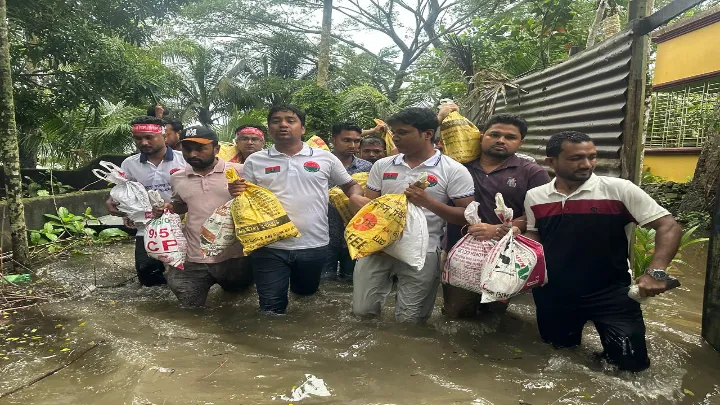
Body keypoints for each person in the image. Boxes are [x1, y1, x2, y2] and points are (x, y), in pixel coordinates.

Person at [524, 131, 682, 372]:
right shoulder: (535, 197)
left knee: (630, 366)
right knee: (561, 356)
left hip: (612, 293)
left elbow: (668, 226)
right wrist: (517, 254)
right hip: (554, 294)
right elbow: (535, 234)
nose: (587, 164)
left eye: (592, 157)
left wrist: (656, 272)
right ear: (551, 162)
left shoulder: (620, 190)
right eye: (576, 158)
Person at [231, 106, 366, 314]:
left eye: (290, 120)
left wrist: (355, 196)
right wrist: (235, 190)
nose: (283, 124)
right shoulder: (255, 160)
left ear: (302, 128)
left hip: (314, 244)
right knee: (270, 308)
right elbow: (245, 198)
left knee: (305, 298)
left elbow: (350, 184)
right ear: (269, 129)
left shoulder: (325, 158)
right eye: (276, 121)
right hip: (269, 246)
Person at [352, 107, 475, 323]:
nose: (395, 138)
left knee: (410, 322)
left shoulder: (453, 170)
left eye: (403, 132)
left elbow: (467, 216)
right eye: (394, 132)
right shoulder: (382, 165)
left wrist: (429, 203)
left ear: (427, 134)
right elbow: (370, 208)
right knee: (363, 314)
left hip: (423, 251)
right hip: (379, 248)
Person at [442, 113, 551, 318]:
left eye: (510, 137)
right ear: (482, 136)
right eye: (495, 134)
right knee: (455, 315)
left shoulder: (532, 172)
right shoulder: (458, 167)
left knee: (493, 315)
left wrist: (501, 229)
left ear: (521, 142)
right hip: (460, 252)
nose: (501, 140)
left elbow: (541, 214)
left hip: (505, 258)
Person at [153, 125, 253, 307]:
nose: (192, 155)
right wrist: (167, 208)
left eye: (200, 149)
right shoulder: (177, 177)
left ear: (216, 149)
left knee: (238, 303)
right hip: (193, 257)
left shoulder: (241, 171)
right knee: (189, 308)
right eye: (187, 149)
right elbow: (181, 205)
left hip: (234, 256)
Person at [105, 116, 185, 286]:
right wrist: (113, 200)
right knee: (147, 271)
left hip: (183, 221)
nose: (143, 142)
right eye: (138, 138)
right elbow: (124, 190)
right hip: (148, 225)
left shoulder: (184, 160)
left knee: (188, 271)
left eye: (149, 137)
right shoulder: (129, 164)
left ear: (164, 137)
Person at [323, 122, 373, 281]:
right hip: (324, 234)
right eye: (346, 140)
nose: (352, 145)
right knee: (323, 282)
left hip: (354, 236)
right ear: (334, 139)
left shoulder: (368, 168)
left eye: (357, 141)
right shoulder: (320, 164)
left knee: (351, 282)